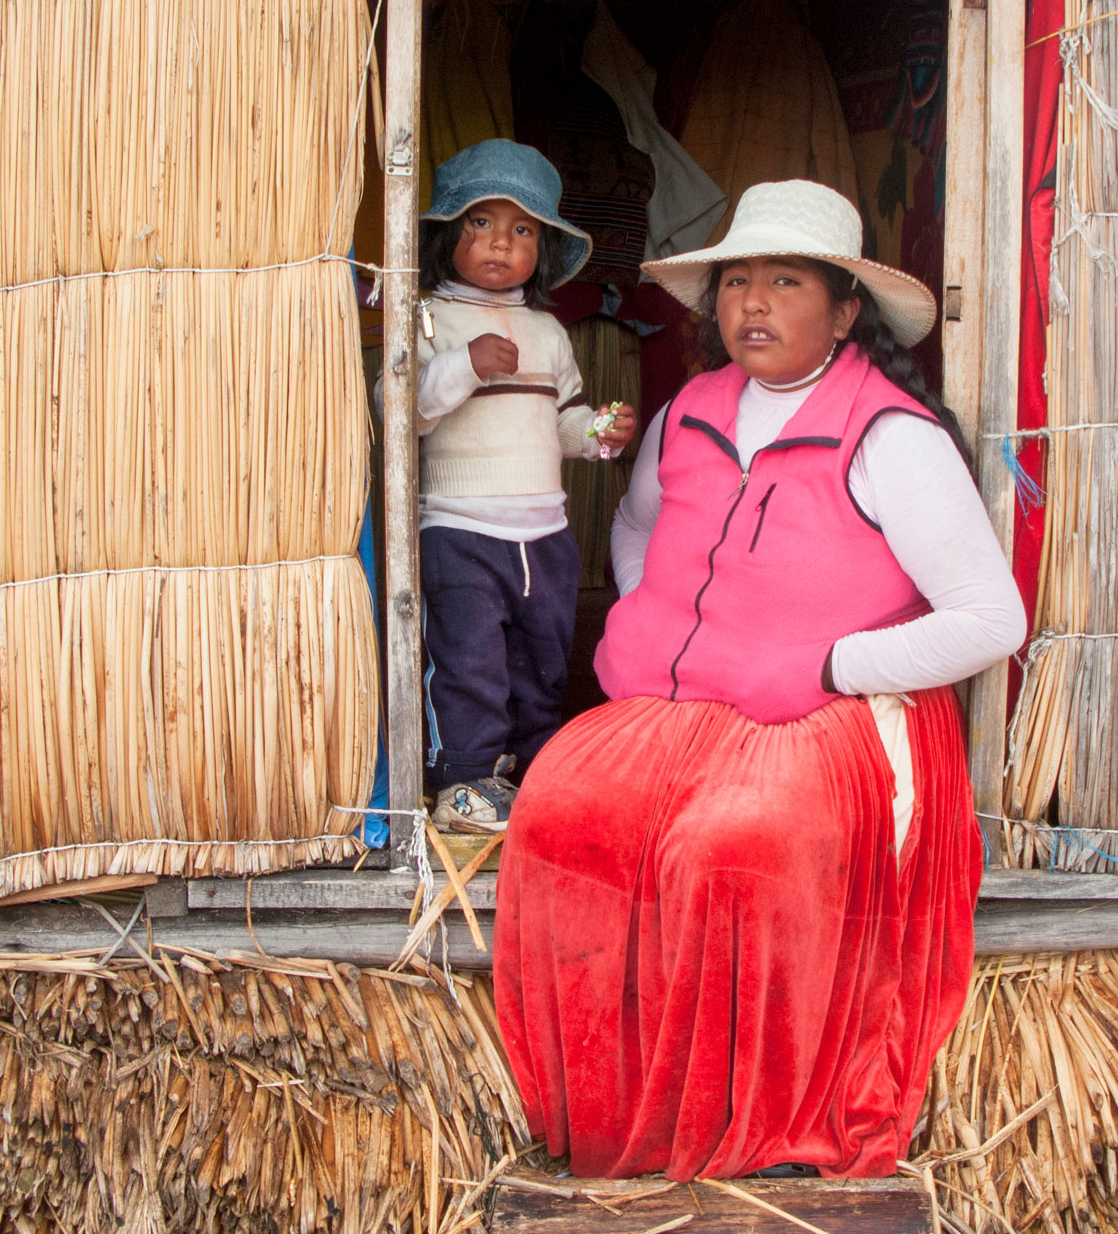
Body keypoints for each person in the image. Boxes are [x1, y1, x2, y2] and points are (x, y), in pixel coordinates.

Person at [493, 179, 1026, 1180]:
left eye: (784, 282)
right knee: (562, 810)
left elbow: (990, 620)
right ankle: (619, 1114)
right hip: (685, 702)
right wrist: (637, 627)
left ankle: (749, 1120)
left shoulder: (890, 436)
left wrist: (825, 662)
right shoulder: (689, 410)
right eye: (735, 280)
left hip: (832, 712)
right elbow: (639, 527)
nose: (752, 303)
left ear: (843, 310)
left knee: (730, 845)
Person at [414, 140, 638, 834]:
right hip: (460, 526)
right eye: (481, 223)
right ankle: (464, 782)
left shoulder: (547, 331)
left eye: (522, 230)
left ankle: (533, 768)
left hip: (545, 532)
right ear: (449, 232)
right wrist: (465, 365)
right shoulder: (427, 316)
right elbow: (406, 410)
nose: (500, 243)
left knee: (541, 656)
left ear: (542, 247)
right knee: (469, 656)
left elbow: (562, 421)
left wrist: (600, 432)